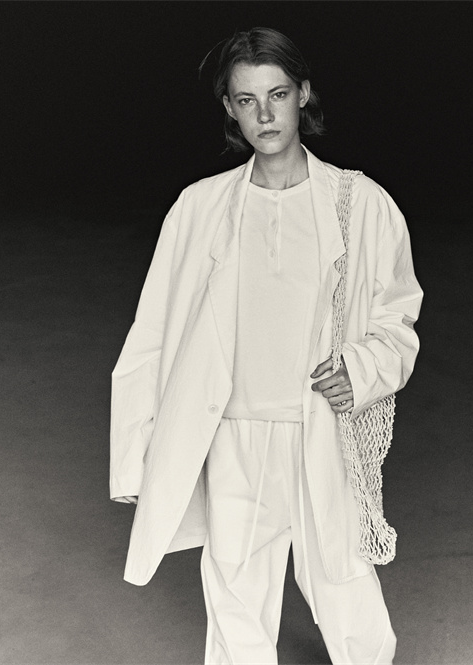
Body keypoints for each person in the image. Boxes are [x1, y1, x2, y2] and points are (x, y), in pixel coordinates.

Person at [110, 27, 422, 665]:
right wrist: (136, 453)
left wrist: (361, 369)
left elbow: (398, 318)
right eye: (246, 100)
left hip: (318, 428)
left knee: (344, 582)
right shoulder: (199, 208)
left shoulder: (360, 204)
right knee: (233, 591)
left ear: (303, 94)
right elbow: (151, 333)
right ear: (230, 108)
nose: (265, 115)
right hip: (232, 433)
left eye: (277, 94)